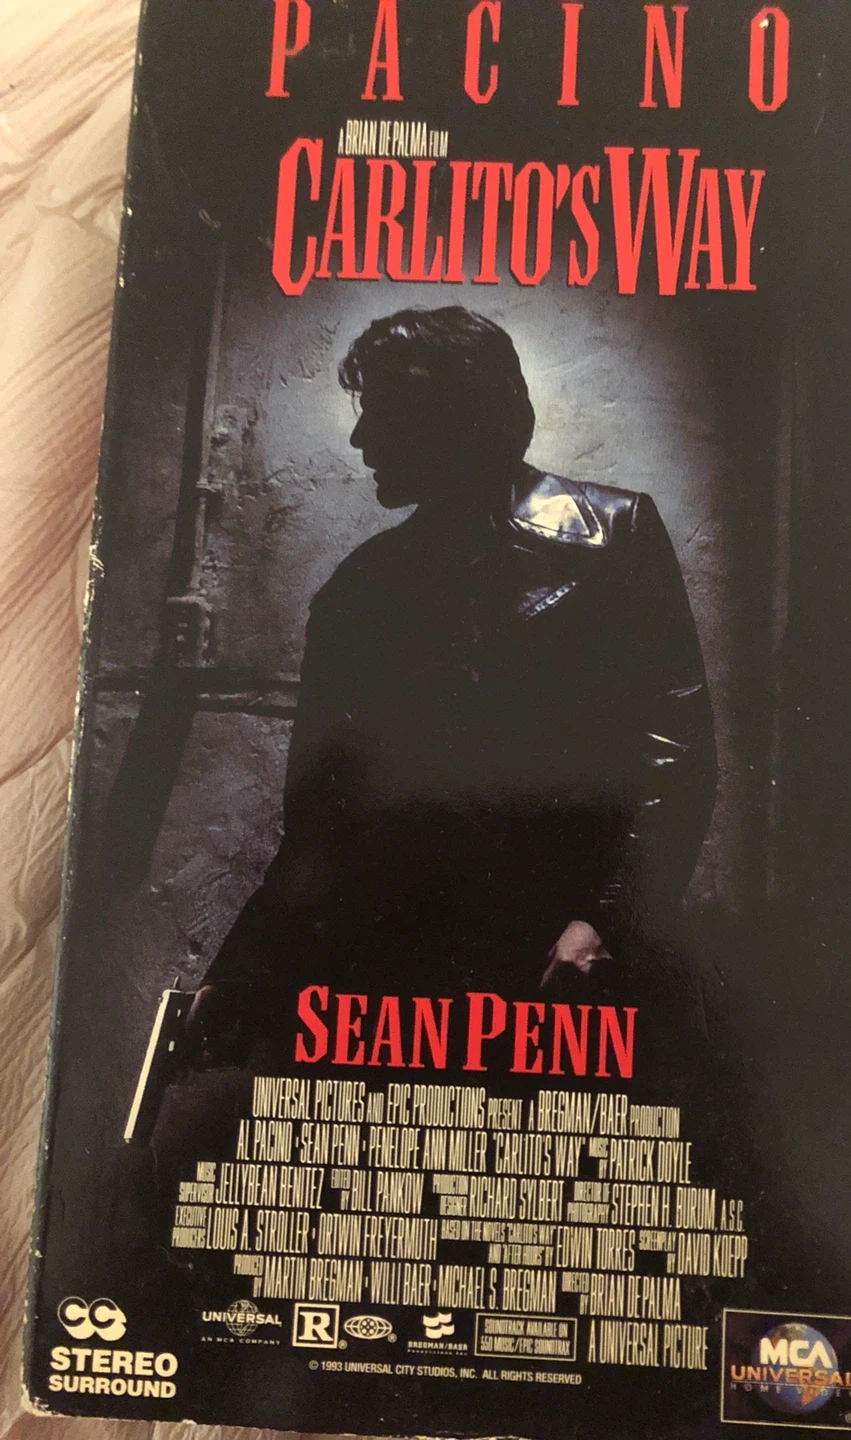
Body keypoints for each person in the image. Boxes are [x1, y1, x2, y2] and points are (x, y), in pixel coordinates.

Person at [191, 305, 716, 1058]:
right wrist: (240, 970)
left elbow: (674, 754)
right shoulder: (357, 594)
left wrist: (605, 920)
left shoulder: (614, 533)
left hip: (572, 965)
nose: (360, 439)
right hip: (412, 976)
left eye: (384, 412)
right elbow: (321, 824)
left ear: (458, 416)